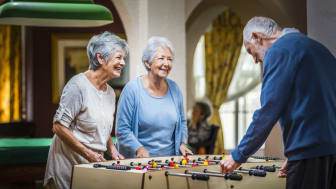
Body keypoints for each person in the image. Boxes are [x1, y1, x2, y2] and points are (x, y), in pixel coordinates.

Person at [220, 16, 336, 189]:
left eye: (251, 51)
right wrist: (294, 151)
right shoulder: (317, 48)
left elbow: (268, 111)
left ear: (257, 37)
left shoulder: (279, 50)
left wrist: (238, 155)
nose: (255, 60)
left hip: (309, 153)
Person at [44, 31, 128, 189]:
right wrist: (88, 153)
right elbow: (58, 127)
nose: (123, 62)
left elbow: (102, 126)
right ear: (100, 58)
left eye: (124, 58)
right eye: (118, 57)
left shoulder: (110, 92)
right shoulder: (78, 86)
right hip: (67, 168)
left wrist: (111, 148)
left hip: (91, 167)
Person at [116, 36, 192, 158]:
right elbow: (122, 130)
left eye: (170, 59)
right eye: (161, 58)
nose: (166, 63)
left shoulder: (175, 89)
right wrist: (139, 149)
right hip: (140, 164)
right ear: (148, 62)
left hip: (171, 162)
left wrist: (182, 143)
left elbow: (182, 122)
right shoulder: (132, 90)